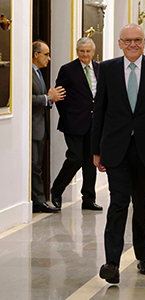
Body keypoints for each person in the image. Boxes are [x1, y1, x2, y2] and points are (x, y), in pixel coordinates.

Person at [91, 23, 145, 284]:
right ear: (119, 43)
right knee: (117, 204)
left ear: (144, 42)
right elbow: (100, 111)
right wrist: (96, 151)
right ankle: (111, 263)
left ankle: (143, 256)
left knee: (142, 204)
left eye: (137, 39)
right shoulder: (107, 69)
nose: (132, 44)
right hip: (115, 149)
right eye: (127, 40)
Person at [51, 37, 102, 211]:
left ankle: (88, 198)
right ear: (77, 52)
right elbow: (59, 96)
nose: (85, 54)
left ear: (93, 52)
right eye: (82, 51)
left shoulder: (99, 69)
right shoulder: (68, 70)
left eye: (88, 51)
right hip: (73, 122)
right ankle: (57, 190)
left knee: (91, 161)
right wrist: (66, 115)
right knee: (76, 157)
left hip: (94, 124)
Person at [32, 41, 66, 213]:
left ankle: (38, 200)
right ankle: (37, 201)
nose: (49, 58)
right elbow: (27, 98)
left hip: (40, 128)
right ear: (36, 55)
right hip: (33, 129)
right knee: (34, 167)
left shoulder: (38, 73)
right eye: (46, 54)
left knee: (37, 166)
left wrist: (50, 99)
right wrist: (47, 98)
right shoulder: (28, 72)